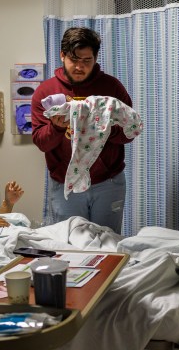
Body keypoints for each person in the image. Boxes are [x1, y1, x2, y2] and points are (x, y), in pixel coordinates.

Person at [31, 27, 137, 234]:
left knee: (108, 244)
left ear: (95, 58)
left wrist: (103, 128)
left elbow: (129, 132)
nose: (80, 67)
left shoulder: (112, 88)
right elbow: (41, 142)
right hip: (65, 185)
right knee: (69, 245)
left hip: (108, 182)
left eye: (87, 61)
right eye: (74, 60)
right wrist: (57, 127)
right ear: (62, 55)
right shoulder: (46, 93)